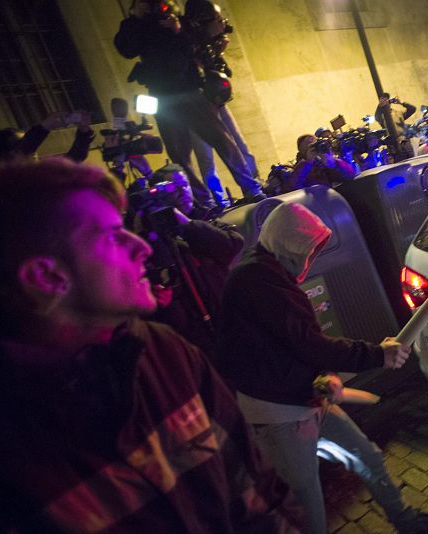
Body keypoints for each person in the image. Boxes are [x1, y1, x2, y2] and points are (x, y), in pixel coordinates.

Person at [0, 157, 301, 532]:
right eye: (111, 236)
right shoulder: (14, 453)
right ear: (46, 277)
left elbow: (257, 491)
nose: (140, 246)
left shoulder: (162, 353)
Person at [216, 202, 428, 534]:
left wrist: (318, 375)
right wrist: (377, 355)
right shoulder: (256, 280)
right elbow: (307, 343)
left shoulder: (268, 272)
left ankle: (405, 521)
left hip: (306, 396)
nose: (311, 258)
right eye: (309, 249)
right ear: (289, 242)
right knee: (306, 501)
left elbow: (285, 345)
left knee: (367, 457)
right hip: (278, 416)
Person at [114, 0, 264, 209]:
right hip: (162, 96)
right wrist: (136, 17)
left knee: (222, 140)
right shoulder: (134, 26)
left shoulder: (176, 18)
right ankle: (205, 203)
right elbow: (126, 49)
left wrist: (177, 29)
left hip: (190, 90)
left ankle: (252, 188)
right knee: (179, 154)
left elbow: (199, 42)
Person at [132, 164, 244, 358]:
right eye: (174, 188)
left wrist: (185, 223)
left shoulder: (208, 217)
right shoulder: (153, 238)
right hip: (192, 334)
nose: (183, 191)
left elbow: (232, 245)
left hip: (227, 320)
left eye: (185, 185)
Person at [185, 0, 260, 207]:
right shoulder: (187, 44)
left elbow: (223, 73)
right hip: (196, 109)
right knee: (206, 158)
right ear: (201, 22)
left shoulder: (210, 43)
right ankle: (218, 200)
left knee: (239, 144)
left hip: (216, 102)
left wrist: (218, 52)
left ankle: (255, 186)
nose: (222, 24)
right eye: (217, 20)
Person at [0, 110, 94, 163]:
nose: (34, 153)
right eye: (20, 144)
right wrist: (44, 127)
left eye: (33, 149)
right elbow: (21, 153)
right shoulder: (9, 184)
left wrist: (83, 132)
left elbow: (71, 161)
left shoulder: (41, 173)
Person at [288, 135, 356, 190]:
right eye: (311, 146)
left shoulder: (323, 161)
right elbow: (293, 187)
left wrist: (334, 164)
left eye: (316, 144)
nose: (315, 148)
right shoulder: (299, 167)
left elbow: (351, 175)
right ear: (302, 152)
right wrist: (308, 163)